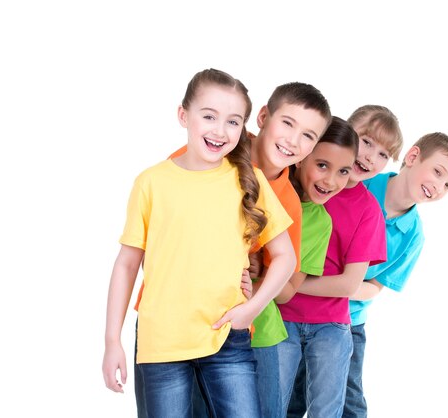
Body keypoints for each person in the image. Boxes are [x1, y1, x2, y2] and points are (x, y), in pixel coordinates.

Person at [101, 68, 297, 418]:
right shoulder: (151, 182)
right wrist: (112, 340)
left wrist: (251, 309)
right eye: (209, 116)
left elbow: (285, 257)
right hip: (161, 344)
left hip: (226, 338)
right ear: (183, 116)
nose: (220, 131)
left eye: (233, 121)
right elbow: (127, 264)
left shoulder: (247, 179)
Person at [134, 80, 332, 417]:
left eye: (308, 136)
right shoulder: (197, 156)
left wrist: (252, 285)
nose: (293, 141)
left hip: (244, 325)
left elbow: (286, 284)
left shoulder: (289, 201)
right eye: (287, 124)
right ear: (263, 117)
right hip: (171, 321)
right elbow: (162, 241)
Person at [285, 105, 403, 418]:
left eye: (383, 155)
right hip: (281, 317)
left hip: (330, 324)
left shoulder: (367, 210)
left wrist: (288, 284)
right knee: (280, 406)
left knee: (327, 410)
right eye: (367, 142)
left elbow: (350, 283)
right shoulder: (305, 183)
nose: (370, 158)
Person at [343, 131, 448, 417]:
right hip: (303, 307)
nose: (439, 186)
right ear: (412, 157)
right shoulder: (359, 184)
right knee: (294, 393)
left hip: (349, 321)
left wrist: (342, 287)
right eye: (438, 172)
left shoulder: (414, 236)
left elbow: (375, 288)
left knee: (350, 403)